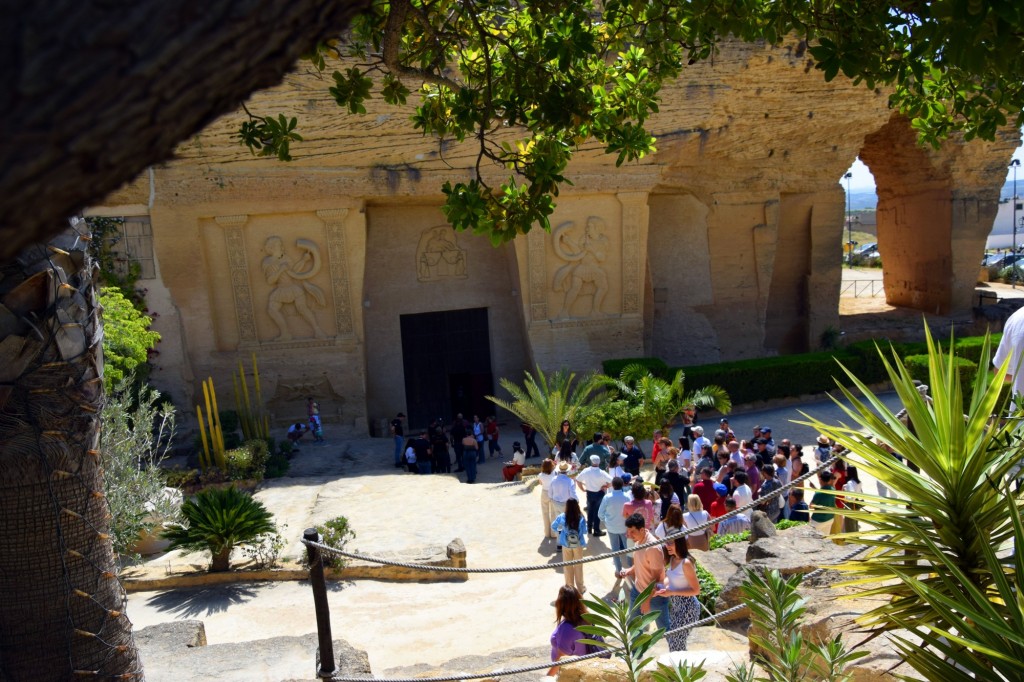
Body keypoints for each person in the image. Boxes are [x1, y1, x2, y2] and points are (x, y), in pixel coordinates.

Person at [618, 513, 669, 632]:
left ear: (642, 529)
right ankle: (636, 651)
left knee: (664, 629)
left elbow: (655, 581)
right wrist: (629, 571)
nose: (629, 535)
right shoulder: (639, 540)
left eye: (632, 532)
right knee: (634, 627)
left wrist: (646, 600)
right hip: (638, 590)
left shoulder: (653, 548)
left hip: (655, 596)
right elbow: (642, 562)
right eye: (628, 531)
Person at [656, 536, 701, 651]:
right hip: (676, 607)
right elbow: (669, 578)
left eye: (671, 543)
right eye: (667, 543)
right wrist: (661, 587)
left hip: (688, 608)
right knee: (674, 641)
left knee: (676, 643)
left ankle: (682, 668)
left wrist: (672, 592)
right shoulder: (672, 559)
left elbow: (696, 590)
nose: (667, 546)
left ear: (679, 543)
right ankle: (680, 668)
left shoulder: (685, 563)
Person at [548, 586, 605, 676]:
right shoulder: (586, 618)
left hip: (569, 674)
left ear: (560, 603)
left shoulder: (567, 630)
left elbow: (561, 661)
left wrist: (548, 677)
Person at [552, 498, 588, 594]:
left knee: (567, 566)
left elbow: (554, 526)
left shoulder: (562, 517)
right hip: (578, 544)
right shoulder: (580, 517)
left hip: (566, 544)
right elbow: (585, 531)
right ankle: (580, 588)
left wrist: (561, 531)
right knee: (578, 566)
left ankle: (570, 588)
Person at [598, 476, 632, 575]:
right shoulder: (627, 496)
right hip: (624, 527)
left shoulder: (607, 497)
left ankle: (618, 570)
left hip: (611, 527)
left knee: (615, 549)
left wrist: (606, 522)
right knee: (628, 548)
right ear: (622, 485)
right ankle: (631, 568)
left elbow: (600, 513)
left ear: (612, 485)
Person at [576, 454, 613, 536]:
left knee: (590, 511)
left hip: (589, 493)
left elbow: (578, 480)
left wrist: (582, 489)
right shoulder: (602, 472)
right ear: (599, 463)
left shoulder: (586, 471)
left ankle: (589, 528)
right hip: (599, 494)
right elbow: (612, 481)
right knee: (597, 512)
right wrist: (606, 486)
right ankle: (596, 530)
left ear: (591, 462)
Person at [809, 470, 838, 535]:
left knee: (812, 538)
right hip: (829, 519)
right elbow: (823, 495)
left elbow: (811, 506)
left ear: (820, 479)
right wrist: (814, 488)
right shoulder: (833, 490)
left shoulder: (818, 494)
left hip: (818, 521)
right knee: (825, 539)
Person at [538, 459, 559, 540]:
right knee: (553, 513)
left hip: (544, 493)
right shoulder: (555, 474)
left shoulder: (540, 475)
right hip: (553, 493)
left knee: (545, 513)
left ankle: (547, 533)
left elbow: (540, 483)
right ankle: (554, 533)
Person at [842, 465, 864, 533]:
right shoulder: (859, 482)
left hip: (850, 505)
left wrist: (845, 490)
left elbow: (850, 496)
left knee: (849, 525)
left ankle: (851, 542)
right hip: (857, 504)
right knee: (855, 523)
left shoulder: (850, 483)